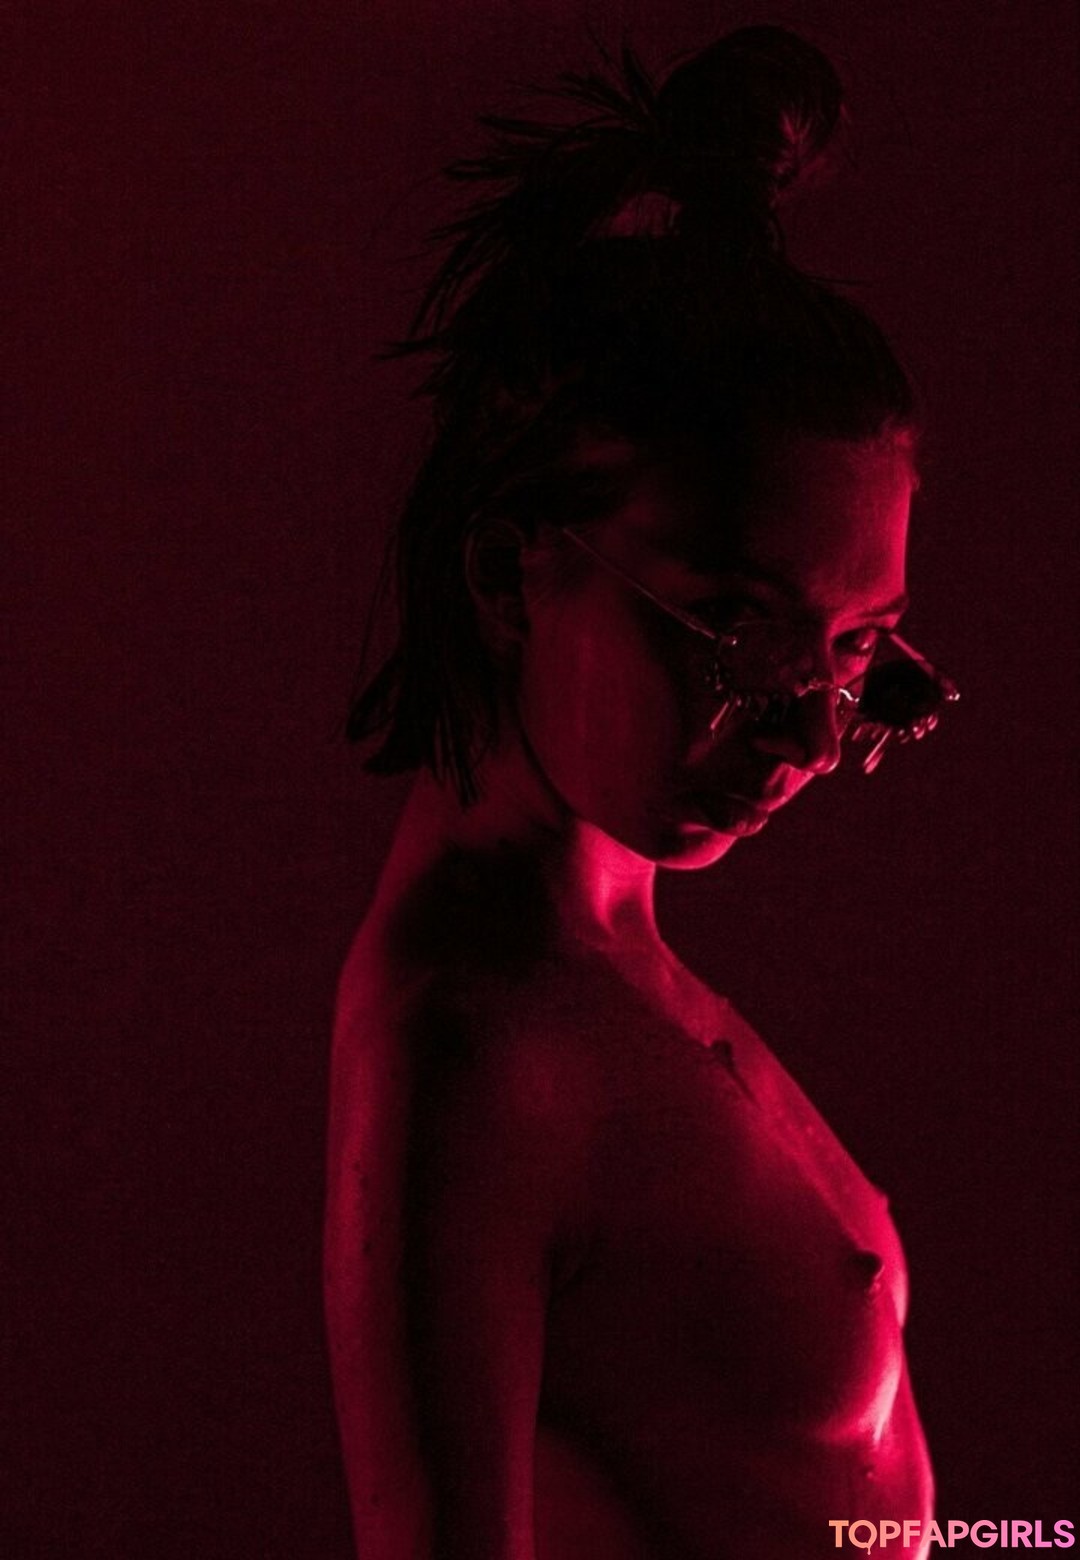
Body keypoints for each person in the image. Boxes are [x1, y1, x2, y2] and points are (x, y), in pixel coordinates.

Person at [323, 26, 958, 1560]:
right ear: (509, 573)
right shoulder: (481, 1044)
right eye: (737, 632)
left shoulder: (617, 976)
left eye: (858, 652)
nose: (811, 734)